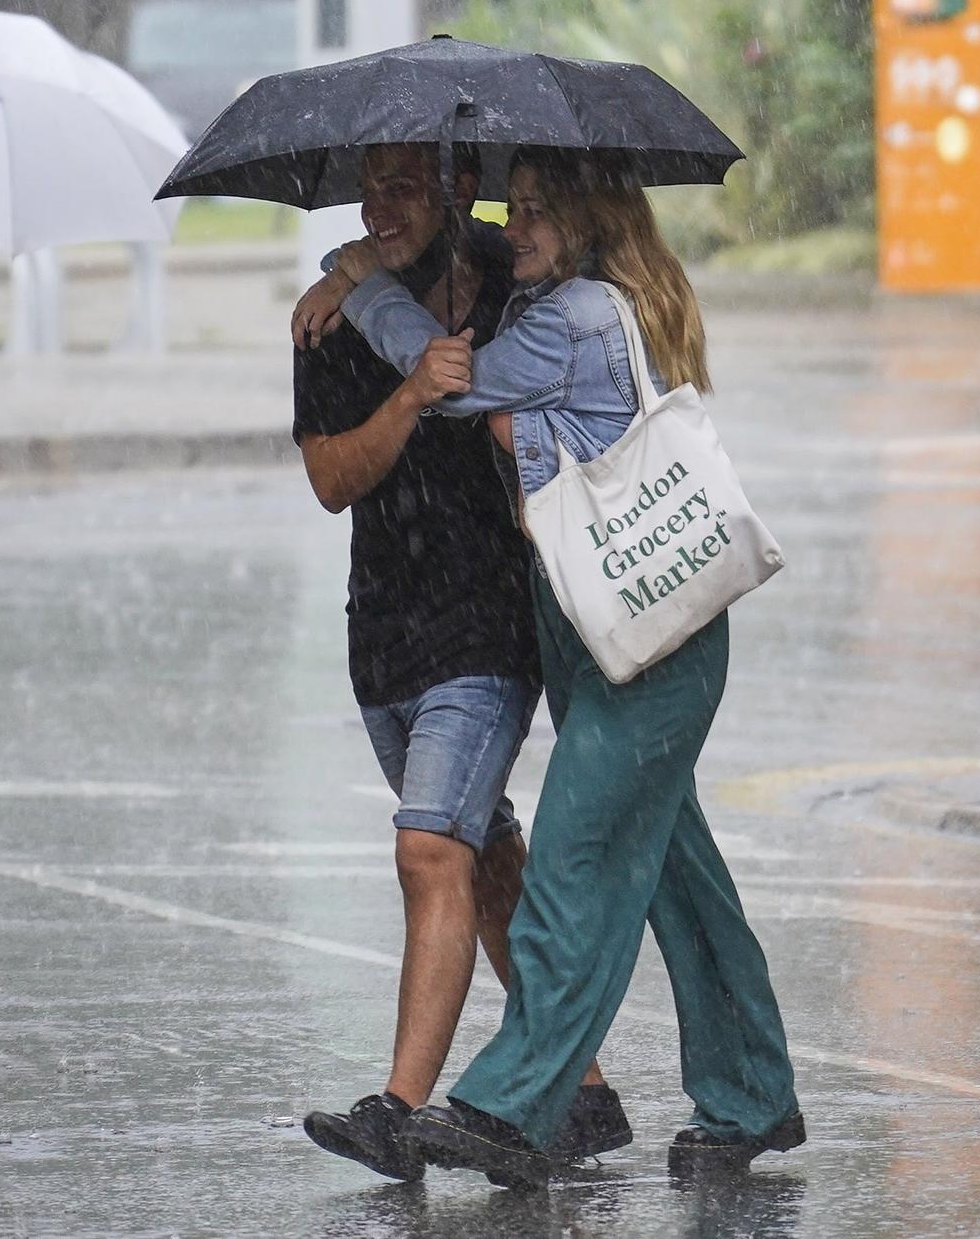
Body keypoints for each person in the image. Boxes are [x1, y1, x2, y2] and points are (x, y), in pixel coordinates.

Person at [325, 145, 804, 1186]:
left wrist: (361, 286)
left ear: (586, 222)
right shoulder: (551, 302)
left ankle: (511, 1102)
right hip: (596, 633)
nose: (517, 225)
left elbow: (442, 379)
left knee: (573, 867)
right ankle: (751, 1095)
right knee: (680, 886)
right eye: (514, 207)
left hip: (649, 640)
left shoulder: (575, 315)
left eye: (538, 211)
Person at [289, 142, 626, 1183]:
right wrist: (401, 396)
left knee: (429, 848)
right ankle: (584, 1090)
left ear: (453, 188)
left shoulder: (524, 279)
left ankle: (397, 1108)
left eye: (401, 183)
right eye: (367, 185)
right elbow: (329, 479)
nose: (376, 204)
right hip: (384, 626)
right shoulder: (333, 313)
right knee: (478, 858)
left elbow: (555, 384)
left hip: (487, 622)